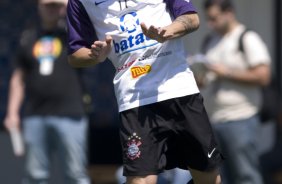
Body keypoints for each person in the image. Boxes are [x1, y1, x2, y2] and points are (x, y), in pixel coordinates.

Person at [66, 0, 223, 184]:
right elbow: (75, 55)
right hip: (134, 100)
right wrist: (95, 56)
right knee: (139, 181)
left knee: (209, 179)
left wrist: (168, 31)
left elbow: (192, 19)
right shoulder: (78, 2)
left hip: (181, 91)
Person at [4, 0, 90, 183]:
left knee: (76, 174)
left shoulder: (71, 34)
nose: (51, 9)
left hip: (71, 114)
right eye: (47, 5)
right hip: (35, 114)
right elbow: (18, 79)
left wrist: (65, 4)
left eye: (55, 5)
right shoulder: (28, 37)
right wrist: (12, 113)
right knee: (35, 175)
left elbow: (82, 13)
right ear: (38, 6)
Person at [196, 0, 271, 183]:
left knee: (246, 175)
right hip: (214, 120)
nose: (210, 24)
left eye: (214, 18)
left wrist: (227, 72)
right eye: (208, 19)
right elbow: (208, 77)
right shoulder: (210, 40)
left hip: (241, 119)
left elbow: (263, 76)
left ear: (229, 12)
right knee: (221, 177)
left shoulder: (246, 37)